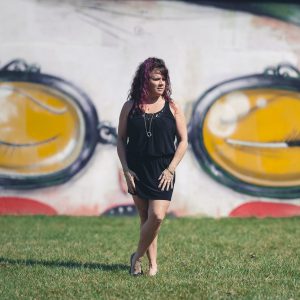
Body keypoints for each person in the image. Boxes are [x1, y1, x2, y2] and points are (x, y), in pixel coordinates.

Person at [117, 57, 188, 276]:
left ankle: (136, 257)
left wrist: (171, 168)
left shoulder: (173, 107)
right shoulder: (130, 107)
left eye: (164, 79)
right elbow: (120, 139)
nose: (161, 83)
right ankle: (153, 266)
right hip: (137, 169)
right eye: (156, 79)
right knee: (146, 219)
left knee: (156, 216)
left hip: (162, 170)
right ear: (144, 81)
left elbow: (183, 141)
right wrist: (126, 169)